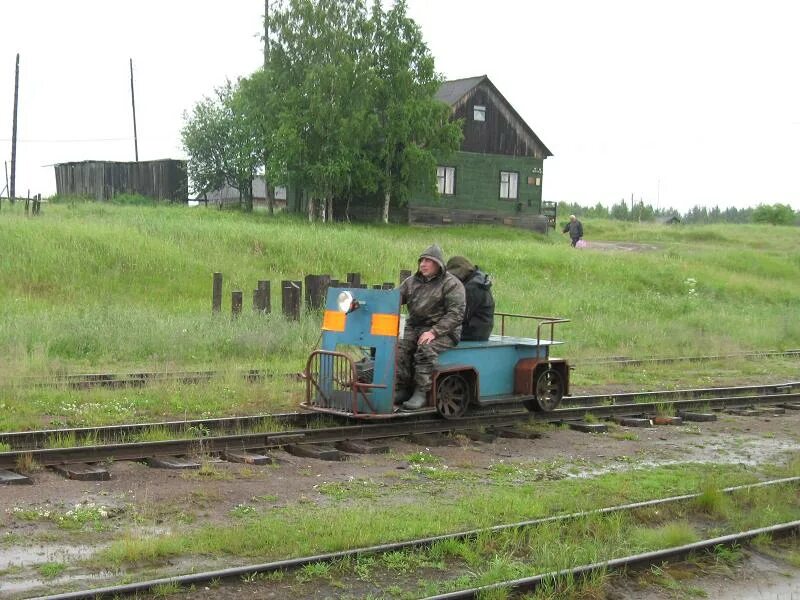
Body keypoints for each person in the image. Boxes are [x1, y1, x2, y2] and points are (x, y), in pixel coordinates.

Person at [395, 245, 466, 411]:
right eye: (421, 260)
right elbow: (394, 298)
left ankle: (421, 391)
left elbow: (456, 314)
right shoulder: (411, 282)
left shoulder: (451, 284)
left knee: (425, 347)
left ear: (438, 264)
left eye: (428, 261)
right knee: (399, 347)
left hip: (445, 331)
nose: (423, 264)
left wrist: (434, 332)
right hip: (415, 327)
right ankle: (402, 388)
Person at [445, 256, 495, 341]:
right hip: (480, 329)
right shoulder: (477, 281)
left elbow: (462, 315)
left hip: (473, 332)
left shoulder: (472, 288)